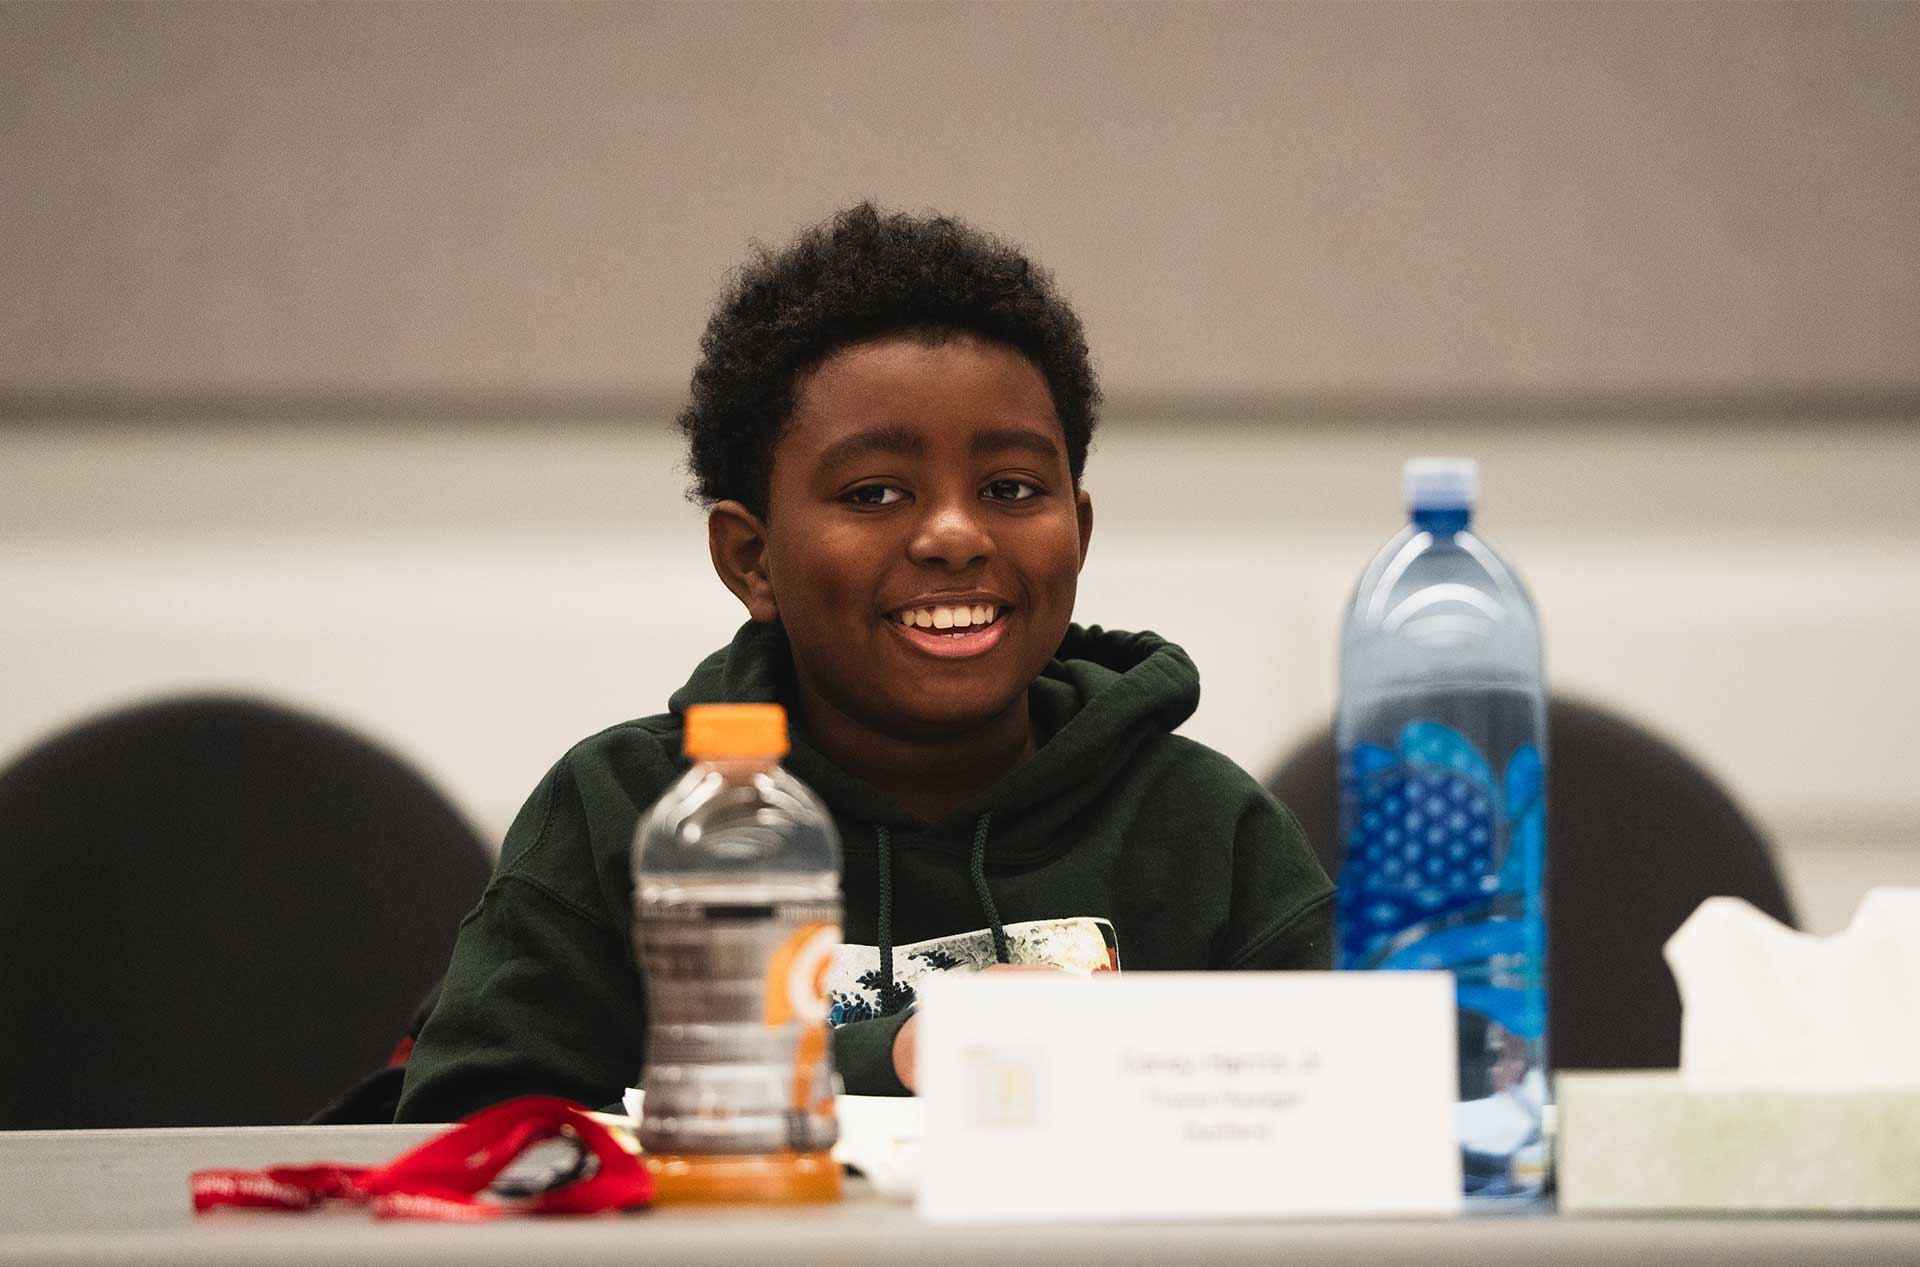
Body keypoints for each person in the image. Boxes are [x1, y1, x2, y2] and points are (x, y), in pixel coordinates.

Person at [394, 203, 1331, 1121]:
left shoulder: (1207, 827)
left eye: (1011, 488)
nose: (957, 534)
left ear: (1077, 533)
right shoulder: (626, 812)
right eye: (874, 491)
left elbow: (1354, 1112)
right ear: (752, 560)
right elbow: (466, 1142)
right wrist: (891, 1056)